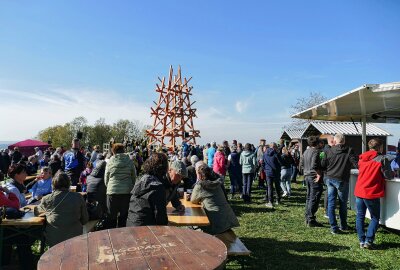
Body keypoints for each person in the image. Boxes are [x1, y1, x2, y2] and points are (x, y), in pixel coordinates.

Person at [354, 138, 393, 249]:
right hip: (371, 192)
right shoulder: (381, 159)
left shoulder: (361, 159)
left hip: (360, 191)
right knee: (375, 217)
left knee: (360, 216)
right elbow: (388, 176)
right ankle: (368, 241)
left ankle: (361, 240)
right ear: (380, 147)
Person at [34, 171, 89, 247]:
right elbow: (85, 220)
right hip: (75, 238)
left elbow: (37, 212)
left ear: (53, 184)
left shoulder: (46, 199)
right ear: (68, 183)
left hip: (54, 239)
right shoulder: (78, 197)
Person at [321, 133, 358, 234]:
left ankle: (334, 227)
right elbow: (356, 164)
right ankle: (343, 225)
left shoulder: (329, 150)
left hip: (330, 178)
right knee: (342, 204)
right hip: (342, 179)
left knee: (331, 203)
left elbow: (323, 164)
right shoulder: (349, 150)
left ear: (335, 141)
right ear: (344, 141)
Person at [191, 164, 239, 235]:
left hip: (216, 224)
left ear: (200, 175)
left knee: (192, 225)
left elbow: (193, 200)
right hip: (228, 220)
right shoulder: (217, 183)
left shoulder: (200, 186)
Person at [127, 153, 170, 226]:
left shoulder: (140, 180)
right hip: (146, 229)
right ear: (164, 168)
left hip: (131, 224)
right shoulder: (157, 186)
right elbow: (160, 217)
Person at [105, 143, 137, 228]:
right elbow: (134, 176)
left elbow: (106, 178)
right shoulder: (129, 161)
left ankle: (111, 236)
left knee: (111, 217)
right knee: (123, 217)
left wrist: (109, 186)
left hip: (112, 191)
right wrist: (131, 186)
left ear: (113, 151)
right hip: (126, 191)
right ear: (124, 151)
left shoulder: (110, 161)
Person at [300, 136, 324, 227]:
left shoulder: (306, 151)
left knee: (309, 197)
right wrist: (318, 174)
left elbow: (301, 164)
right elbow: (314, 164)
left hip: (307, 175)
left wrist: (305, 172)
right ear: (317, 143)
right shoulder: (315, 151)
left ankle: (307, 217)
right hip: (313, 176)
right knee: (314, 197)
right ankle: (311, 219)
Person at [263, 142, 283, 208]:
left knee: (270, 187)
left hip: (268, 172)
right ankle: (278, 200)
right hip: (276, 172)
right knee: (277, 186)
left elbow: (262, 163)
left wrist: (265, 170)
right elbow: (281, 162)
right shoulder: (276, 154)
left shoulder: (265, 153)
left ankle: (270, 202)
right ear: (274, 147)